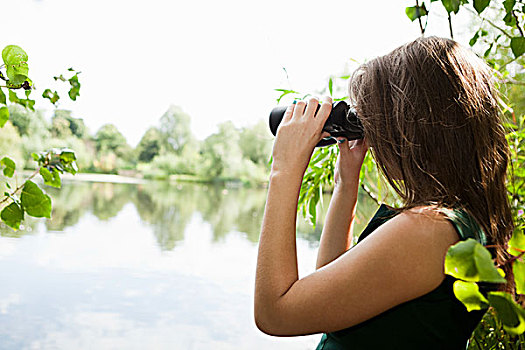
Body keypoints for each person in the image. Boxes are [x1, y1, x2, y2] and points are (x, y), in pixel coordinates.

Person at [254, 36, 514, 349]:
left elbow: (275, 313)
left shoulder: (427, 231)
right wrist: (345, 183)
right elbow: (330, 291)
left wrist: (284, 170)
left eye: (378, 121)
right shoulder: (454, 223)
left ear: (412, 127)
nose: (375, 138)